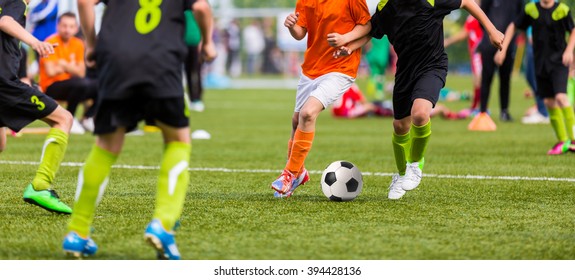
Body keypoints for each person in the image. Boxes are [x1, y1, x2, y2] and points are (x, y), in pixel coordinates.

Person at [62, 0, 216, 260]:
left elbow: (84, 1)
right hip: (162, 60)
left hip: (116, 59)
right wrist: (208, 42)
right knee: (178, 140)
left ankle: (78, 232)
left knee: (106, 146)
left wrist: (90, 44)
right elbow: (201, 7)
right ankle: (163, 223)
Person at [332, 0, 503, 199]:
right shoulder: (386, 6)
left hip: (432, 66)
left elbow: (466, 2)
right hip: (405, 72)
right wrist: (350, 46)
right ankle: (401, 174)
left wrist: (492, 30)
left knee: (420, 115)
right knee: (399, 126)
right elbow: (372, 29)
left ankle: (415, 164)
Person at [270, 0, 371, 198]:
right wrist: (292, 25)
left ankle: (289, 173)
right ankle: (299, 173)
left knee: (308, 113)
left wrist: (345, 39)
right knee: (296, 120)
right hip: (311, 69)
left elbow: (367, 25)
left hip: (340, 68)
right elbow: (300, 33)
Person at [0, 0, 74, 213]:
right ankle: (40, 186)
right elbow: (5, 21)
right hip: (4, 84)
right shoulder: (15, 2)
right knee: (64, 119)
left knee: (1, 144)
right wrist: (35, 42)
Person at [495, 0, 575, 155]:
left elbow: (573, 30)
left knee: (561, 97)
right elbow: (513, 26)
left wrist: (569, 51)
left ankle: (573, 140)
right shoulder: (531, 9)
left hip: (559, 62)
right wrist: (503, 50)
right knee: (548, 101)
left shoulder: (563, 10)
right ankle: (562, 141)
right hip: (540, 63)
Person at [468, 0, 523, 130]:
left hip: (508, 45)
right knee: (486, 78)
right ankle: (482, 111)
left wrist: (508, 40)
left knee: (505, 79)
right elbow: (482, 16)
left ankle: (504, 111)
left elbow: (518, 20)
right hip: (489, 44)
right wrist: (490, 35)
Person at [39, 12, 96, 134]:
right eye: (64, 26)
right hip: (51, 86)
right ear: (58, 26)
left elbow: (81, 72)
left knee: (101, 85)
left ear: (76, 28)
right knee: (80, 84)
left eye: (71, 26)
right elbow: (50, 71)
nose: (67, 30)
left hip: (73, 84)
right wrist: (71, 67)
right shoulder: (50, 42)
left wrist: (63, 64)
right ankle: (70, 119)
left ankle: (88, 118)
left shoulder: (78, 44)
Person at [444, 0, 483, 116]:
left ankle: (477, 108)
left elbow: (464, 34)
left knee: (478, 79)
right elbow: (465, 32)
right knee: (477, 79)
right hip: (474, 53)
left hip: (479, 53)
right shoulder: (471, 17)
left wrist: (448, 41)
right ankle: (477, 107)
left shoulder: (478, 15)